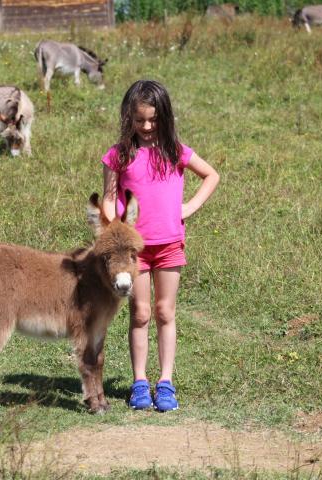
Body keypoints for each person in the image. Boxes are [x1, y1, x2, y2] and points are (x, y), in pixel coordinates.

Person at [101, 80, 219, 412]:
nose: (147, 127)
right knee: (139, 313)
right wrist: (114, 231)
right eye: (140, 120)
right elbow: (109, 201)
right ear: (129, 118)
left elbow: (211, 175)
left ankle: (165, 382)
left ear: (164, 117)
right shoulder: (118, 155)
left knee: (165, 311)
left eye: (154, 120)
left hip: (169, 245)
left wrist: (188, 208)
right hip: (133, 252)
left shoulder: (175, 151)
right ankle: (140, 382)